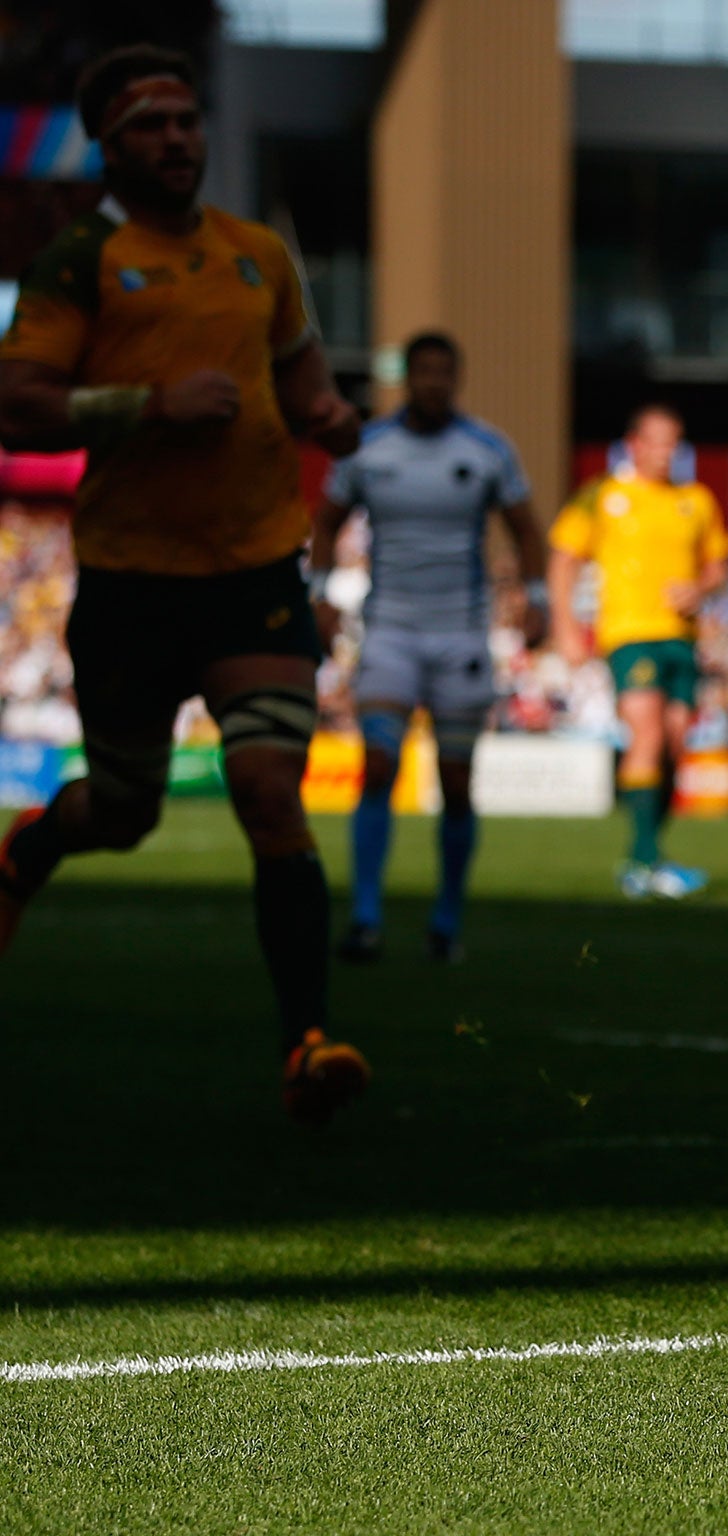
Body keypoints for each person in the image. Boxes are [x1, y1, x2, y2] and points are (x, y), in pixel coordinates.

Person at [0, 45, 368, 1122]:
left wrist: (328, 415)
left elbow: (303, 380)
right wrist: (146, 407)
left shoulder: (259, 254)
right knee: (123, 813)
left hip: (253, 567)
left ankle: (308, 1042)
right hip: (130, 580)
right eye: (149, 126)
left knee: (267, 789)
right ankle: (29, 847)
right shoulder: (81, 260)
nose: (175, 140)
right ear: (111, 150)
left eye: (186, 121)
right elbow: (16, 403)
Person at [308, 330, 549, 963]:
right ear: (408, 377)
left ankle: (446, 921)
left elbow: (527, 530)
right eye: (424, 371)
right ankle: (365, 918)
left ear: (457, 378)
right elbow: (326, 521)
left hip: (461, 634)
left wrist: (538, 599)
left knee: (457, 780)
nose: (434, 382)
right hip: (390, 629)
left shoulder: (487, 450)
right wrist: (321, 593)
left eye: (445, 371)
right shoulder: (368, 447)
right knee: (378, 767)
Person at [548, 404, 728, 898]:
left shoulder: (696, 500)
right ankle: (643, 863)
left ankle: (647, 855)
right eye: (658, 441)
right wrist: (565, 627)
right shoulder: (602, 496)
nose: (667, 452)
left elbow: (718, 565)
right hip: (629, 633)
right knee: (646, 732)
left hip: (681, 637)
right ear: (635, 444)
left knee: (673, 742)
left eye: (674, 442)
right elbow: (564, 559)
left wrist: (700, 588)